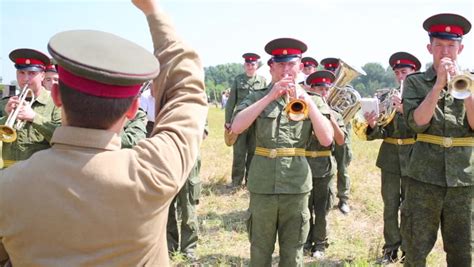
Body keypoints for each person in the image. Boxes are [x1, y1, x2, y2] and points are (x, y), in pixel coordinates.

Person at [0, 1, 207, 266]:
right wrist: (154, 12)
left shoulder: (7, 188)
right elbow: (187, 93)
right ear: (133, 108)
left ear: (56, 95)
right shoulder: (154, 173)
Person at [231, 38, 334, 266]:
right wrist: (270, 96)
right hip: (263, 184)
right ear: (271, 67)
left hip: (296, 185)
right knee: (260, 249)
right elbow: (237, 126)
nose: (286, 70)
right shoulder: (257, 96)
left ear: (299, 66)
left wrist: (307, 100)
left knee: (293, 252)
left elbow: (327, 139)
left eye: (291, 64)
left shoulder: (313, 100)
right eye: (281, 65)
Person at [402, 13, 473, 266]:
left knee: (462, 251)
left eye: (451, 46)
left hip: (463, 181)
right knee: (416, 248)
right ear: (429, 47)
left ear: (460, 48)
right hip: (423, 178)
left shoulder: (472, 81)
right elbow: (417, 122)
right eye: (439, 45)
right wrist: (438, 85)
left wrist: (464, 89)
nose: (445, 51)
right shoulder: (415, 82)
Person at [363, 52, 421, 263]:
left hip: (414, 157)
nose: (400, 76)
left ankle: (408, 249)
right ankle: (390, 249)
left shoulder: (422, 98)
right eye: (397, 72)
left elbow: (423, 127)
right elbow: (380, 133)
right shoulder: (387, 97)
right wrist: (372, 124)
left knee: (410, 207)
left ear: (414, 72)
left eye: (404, 72)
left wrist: (405, 109)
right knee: (390, 205)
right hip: (389, 158)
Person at [304, 70, 346, 259]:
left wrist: (330, 118)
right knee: (303, 208)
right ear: (310, 90)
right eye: (319, 88)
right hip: (304, 166)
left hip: (324, 167)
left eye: (326, 89)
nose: (323, 92)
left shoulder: (336, 114)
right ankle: (304, 241)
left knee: (322, 209)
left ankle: (319, 243)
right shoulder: (301, 111)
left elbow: (340, 140)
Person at [0, 48, 61, 168]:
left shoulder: (55, 103)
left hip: (40, 174)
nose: (25, 79)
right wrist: (6, 117)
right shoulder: (5, 103)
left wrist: (34, 117)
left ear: (42, 75)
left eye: (32, 73)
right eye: (21, 73)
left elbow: (63, 138)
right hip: (7, 174)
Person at [225, 52, 267, 188]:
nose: (250, 66)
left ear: (257, 66)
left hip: (255, 122)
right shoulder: (238, 80)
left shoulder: (262, 81)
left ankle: (250, 181)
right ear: (244, 65)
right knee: (239, 152)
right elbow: (231, 102)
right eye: (248, 64)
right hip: (239, 121)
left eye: (253, 64)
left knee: (254, 152)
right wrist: (228, 121)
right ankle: (236, 181)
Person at [167, 124, 208, 261]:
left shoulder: (194, 102)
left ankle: (189, 248)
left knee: (188, 205)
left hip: (188, 153)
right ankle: (168, 246)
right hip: (164, 155)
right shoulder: (156, 102)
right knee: (165, 205)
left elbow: (203, 131)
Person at [321, 57, 353, 214]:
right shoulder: (320, 86)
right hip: (323, 130)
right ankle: (325, 195)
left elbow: (352, 109)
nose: (333, 73)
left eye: (334, 70)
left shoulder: (345, 90)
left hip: (341, 129)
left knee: (342, 165)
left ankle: (344, 198)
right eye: (329, 70)